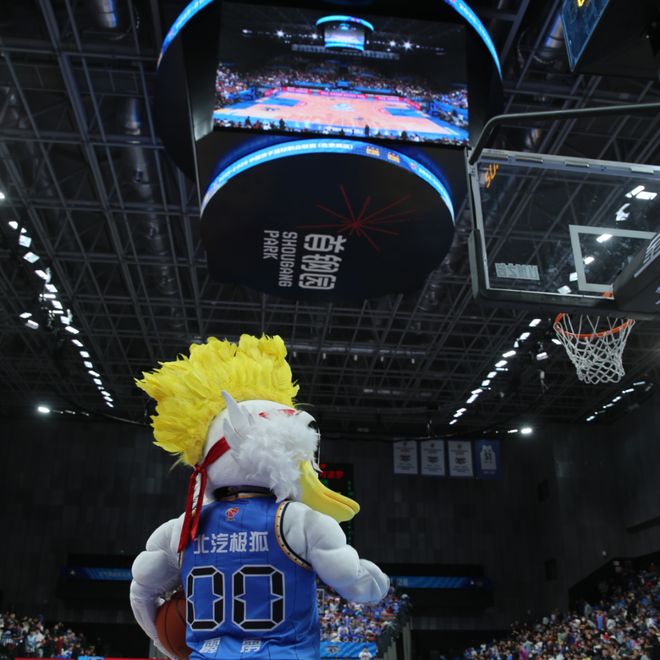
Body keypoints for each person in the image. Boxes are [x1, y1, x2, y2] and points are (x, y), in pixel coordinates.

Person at [130, 335, 389, 659]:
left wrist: (164, 642)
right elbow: (360, 586)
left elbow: (141, 592)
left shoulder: (183, 527)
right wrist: (378, 580)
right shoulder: (298, 521)